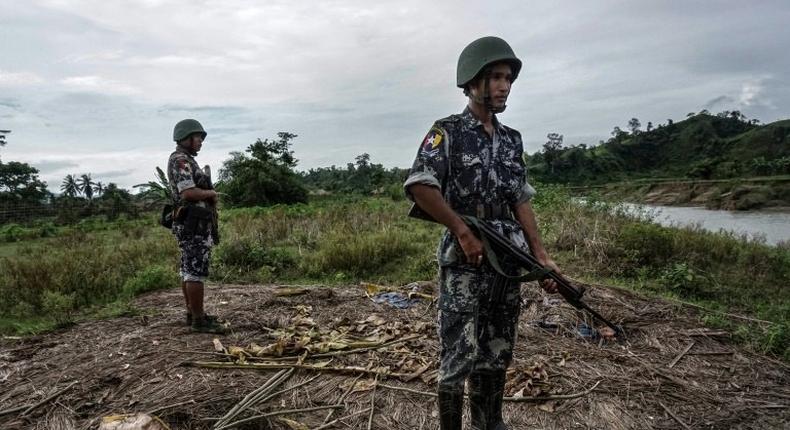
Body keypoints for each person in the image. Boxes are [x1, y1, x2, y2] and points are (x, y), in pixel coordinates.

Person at [404, 36, 561, 430]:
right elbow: (420, 186)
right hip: (466, 258)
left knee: (497, 348)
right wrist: (461, 230)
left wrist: (540, 256)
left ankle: (490, 423)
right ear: (472, 82)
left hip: (507, 258)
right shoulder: (448, 132)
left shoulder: (512, 140)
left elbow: (520, 200)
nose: (504, 86)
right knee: (459, 351)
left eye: (507, 78)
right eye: (494, 77)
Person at [167, 118, 225, 334]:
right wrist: (211, 193)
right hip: (194, 224)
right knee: (195, 272)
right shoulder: (180, 160)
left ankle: (193, 313)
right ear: (186, 138)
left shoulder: (186, 159)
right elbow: (188, 192)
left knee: (188, 270)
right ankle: (199, 320)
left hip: (192, 222)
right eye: (197, 137)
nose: (200, 141)